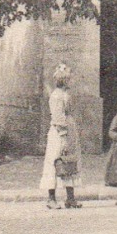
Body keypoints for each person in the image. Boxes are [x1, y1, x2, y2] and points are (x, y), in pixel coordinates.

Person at [40, 63, 83, 209]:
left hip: (69, 131)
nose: (72, 81)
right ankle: (51, 199)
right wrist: (64, 137)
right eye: (70, 79)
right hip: (59, 134)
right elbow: (58, 117)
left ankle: (70, 198)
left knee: (69, 161)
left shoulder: (65, 95)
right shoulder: (56, 96)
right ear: (64, 80)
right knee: (56, 162)